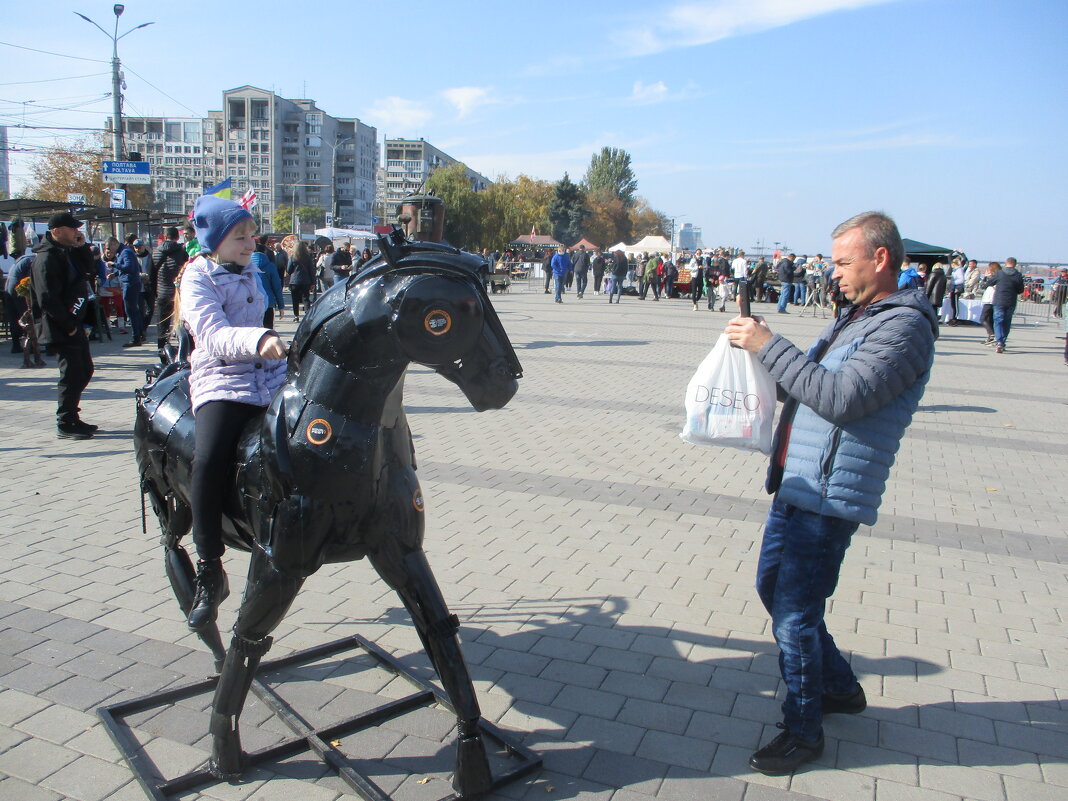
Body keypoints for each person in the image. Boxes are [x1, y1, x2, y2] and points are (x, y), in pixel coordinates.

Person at [725, 211, 938, 776]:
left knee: (794, 613)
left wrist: (770, 343)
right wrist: (762, 354)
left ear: (881, 258)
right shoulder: (860, 315)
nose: (833, 273)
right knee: (775, 591)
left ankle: (803, 730)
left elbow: (843, 398)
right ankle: (840, 686)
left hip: (830, 493)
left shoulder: (905, 326)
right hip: (800, 481)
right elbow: (810, 385)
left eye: (844, 262)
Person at [179, 195, 288, 631]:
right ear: (215, 242)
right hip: (222, 379)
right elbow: (212, 335)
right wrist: (260, 340)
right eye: (239, 236)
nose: (249, 242)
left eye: (250, 233)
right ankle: (209, 567)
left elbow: (265, 316)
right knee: (206, 460)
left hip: (268, 375)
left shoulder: (255, 268)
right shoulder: (196, 276)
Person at [31, 212, 97, 439]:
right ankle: (65, 422)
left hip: (76, 321)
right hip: (60, 325)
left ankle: (72, 417)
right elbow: (47, 297)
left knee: (84, 370)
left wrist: (81, 248)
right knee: (72, 373)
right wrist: (68, 325)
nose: (77, 232)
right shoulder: (46, 257)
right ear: (56, 231)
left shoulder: (67, 251)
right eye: (72, 229)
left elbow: (90, 272)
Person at [150, 227, 189, 351]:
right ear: (178, 237)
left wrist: (155, 292)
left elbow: (151, 275)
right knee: (181, 323)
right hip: (178, 294)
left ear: (165, 237)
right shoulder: (182, 252)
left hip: (161, 293)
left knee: (162, 324)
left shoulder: (156, 252)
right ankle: (183, 351)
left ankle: (162, 351)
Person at [105, 236, 146, 347]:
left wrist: (114, 265)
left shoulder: (125, 252)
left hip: (130, 283)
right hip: (131, 282)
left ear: (114, 244)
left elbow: (129, 267)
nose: (109, 251)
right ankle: (140, 333)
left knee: (131, 311)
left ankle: (136, 337)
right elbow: (131, 267)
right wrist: (116, 274)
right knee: (134, 311)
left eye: (109, 247)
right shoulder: (124, 252)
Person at [988, 256, 1025, 353]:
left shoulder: (1000, 273)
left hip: (999, 300)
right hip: (1011, 301)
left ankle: (999, 341)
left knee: (998, 321)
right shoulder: (1018, 275)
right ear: (1015, 264)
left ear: (1006, 263)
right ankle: (1003, 342)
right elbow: (1021, 290)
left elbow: (989, 282)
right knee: (1007, 322)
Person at [252, 236, 284, 327]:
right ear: (264, 252)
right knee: (267, 332)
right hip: (268, 303)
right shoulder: (270, 266)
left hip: (251, 303)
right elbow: (277, 287)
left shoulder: (246, 267)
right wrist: (281, 306)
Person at [287, 241, 315, 321]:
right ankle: (307, 315)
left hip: (294, 281)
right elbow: (311, 271)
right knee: (306, 298)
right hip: (306, 281)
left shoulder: (293, 257)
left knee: (295, 299)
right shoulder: (308, 257)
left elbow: (289, 270)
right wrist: (313, 282)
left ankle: (296, 316)